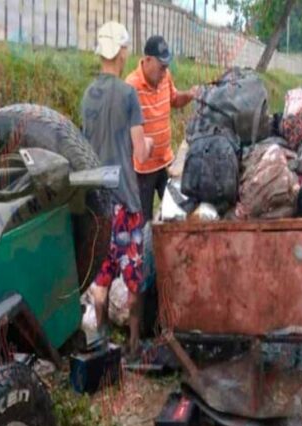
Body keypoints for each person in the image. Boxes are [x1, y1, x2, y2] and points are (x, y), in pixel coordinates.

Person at [81, 21, 154, 356]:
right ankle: (135, 347)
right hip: (125, 200)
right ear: (122, 51)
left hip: (97, 202)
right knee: (134, 279)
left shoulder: (87, 95)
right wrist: (148, 144)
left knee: (100, 278)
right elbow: (139, 152)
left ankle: (103, 344)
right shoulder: (128, 94)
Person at [126, 35, 199, 223]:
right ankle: (147, 251)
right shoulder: (131, 86)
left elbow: (174, 99)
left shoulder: (165, 77)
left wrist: (190, 95)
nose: (164, 72)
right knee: (145, 221)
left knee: (176, 212)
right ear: (147, 60)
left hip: (166, 162)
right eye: (161, 67)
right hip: (143, 170)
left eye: (167, 67)